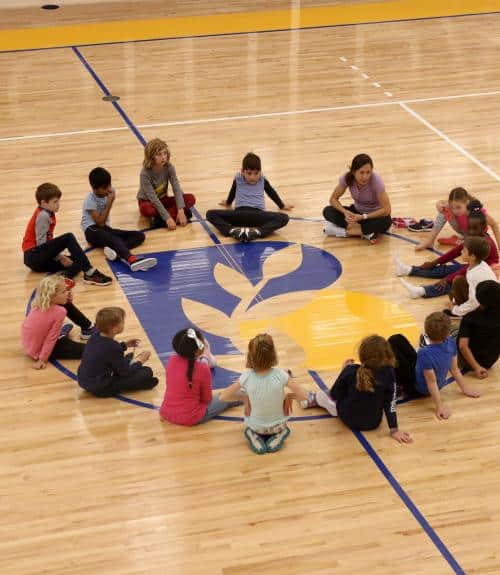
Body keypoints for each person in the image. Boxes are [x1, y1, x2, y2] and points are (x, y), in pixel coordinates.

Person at [303, 336, 412, 443]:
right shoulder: (389, 372)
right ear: (387, 355)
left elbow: (335, 394)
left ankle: (313, 399)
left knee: (326, 394)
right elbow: (390, 402)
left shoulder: (351, 370)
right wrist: (394, 430)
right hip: (373, 423)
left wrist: (343, 371)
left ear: (362, 354)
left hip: (347, 417)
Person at [220, 333, 309, 454]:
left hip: (256, 427)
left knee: (251, 420)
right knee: (283, 425)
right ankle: (279, 435)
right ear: (273, 354)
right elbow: (305, 396)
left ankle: (253, 435)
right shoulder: (281, 374)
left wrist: (245, 398)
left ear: (250, 356)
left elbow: (223, 397)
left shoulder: (246, 376)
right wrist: (290, 396)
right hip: (278, 426)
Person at [397, 202, 498, 300]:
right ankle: (409, 270)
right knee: (446, 269)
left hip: (485, 272)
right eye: (469, 227)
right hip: (473, 266)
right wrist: (434, 262)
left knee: (456, 282)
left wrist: (447, 279)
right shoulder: (473, 237)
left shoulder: (484, 244)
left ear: (484, 227)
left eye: (475, 228)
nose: (471, 231)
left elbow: (467, 269)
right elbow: (456, 251)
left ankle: (421, 291)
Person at [388, 312, 480, 419]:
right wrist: (465, 388)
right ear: (447, 333)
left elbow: (431, 382)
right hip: (427, 376)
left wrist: (439, 407)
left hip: (419, 389)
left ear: (427, 331)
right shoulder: (451, 342)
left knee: (391, 347)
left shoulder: (424, 352)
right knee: (396, 338)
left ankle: (398, 386)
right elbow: (454, 369)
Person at [23, 183, 112, 285]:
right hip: (33, 256)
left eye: (58, 201)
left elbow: (46, 244)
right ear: (43, 203)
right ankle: (89, 272)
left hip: (38, 260)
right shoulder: (43, 215)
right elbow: (41, 244)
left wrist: (60, 257)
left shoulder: (47, 212)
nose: (58, 204)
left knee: (79, 260)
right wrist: (59, 257)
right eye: (55, 202)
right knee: (68, 237)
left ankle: (63, 278)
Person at [160, 328, 241, 426]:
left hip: (166, 411)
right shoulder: (202, 369)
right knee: (227, 396)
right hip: (191, 417)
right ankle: (252, 395)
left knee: (223, 395)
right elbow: (207, 400)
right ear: (198, 351)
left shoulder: (171, 360)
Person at [82, 167, 157, 272]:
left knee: (139, 235)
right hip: (92, 231)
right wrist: (109, 202)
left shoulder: (108, 192)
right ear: (94, 189)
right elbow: (100, 223)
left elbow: (104, 226)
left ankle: (115, 253)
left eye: (109, 185)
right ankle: (131, 260)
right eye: (105, 188)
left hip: (105, 229)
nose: (109, 189)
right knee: (115, 239)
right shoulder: (89, 200)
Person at [206, 152, 292, 242]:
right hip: (239, 214)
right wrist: (228, 202)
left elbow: (271, 192)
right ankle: (232, 230)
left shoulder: (262, 180)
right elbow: (233, 191)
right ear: (242, 171)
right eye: (249, 173)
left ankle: (257, 232)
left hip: (258, 215)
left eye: (256, 173)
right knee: (210, 214)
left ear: (260, 172)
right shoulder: (238, 178)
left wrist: (281, 205)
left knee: (284, 218)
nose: (252, 177)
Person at [77, 307, 158, 397]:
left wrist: (125, 345)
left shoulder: (94, 336)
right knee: (147, 371)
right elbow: (125, 372)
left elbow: (105, 351)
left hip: (83, 380)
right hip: (101, 388)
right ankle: (143, 383)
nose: (124, 323)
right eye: (122, 322)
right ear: (114, 329)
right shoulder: (113, 347)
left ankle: (130, 367)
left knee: (126, 359)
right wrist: (140, 361)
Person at [21, 275, 95, 369]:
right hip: (41, 350)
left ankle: (63, 333)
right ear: (52, 295)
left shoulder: (39, 303)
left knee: (64, 306)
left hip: (30, 346)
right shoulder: (60, 311)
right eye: (64, 291)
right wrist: (42, 359)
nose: (68, 293)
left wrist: (67, 300)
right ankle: (115, 348)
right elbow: (51, 338)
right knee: (88, 350)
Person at [323, 153, 392, 244]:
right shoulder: (346, 178)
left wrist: (363, 217)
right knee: (328, 211)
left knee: (386, 221)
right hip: (356, 213)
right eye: (361, 172)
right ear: (353, 172)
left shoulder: (376, 181)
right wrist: (345, 211)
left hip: (372, 216)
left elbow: (387, 210)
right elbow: (333, 199)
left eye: (368, 172)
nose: (365, 177)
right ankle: (365, 232)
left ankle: (345, 232)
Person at [415, 187, 500, 251]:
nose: (455, 211)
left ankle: (459, 241)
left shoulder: (476, 212)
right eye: (453, 207)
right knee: (444, 210)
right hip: (463, 231)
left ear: (467, 202)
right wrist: (438, 204)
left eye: (458, 207)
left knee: (471, 249)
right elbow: (442, 203)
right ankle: (430, 241)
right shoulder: (455, 206)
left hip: (477, 235)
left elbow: (494, 225)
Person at [137, 138, 196, 229]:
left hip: (163, 198)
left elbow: (176, 188)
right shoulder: (144, 174)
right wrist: (167, 218)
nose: (163, 157)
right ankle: (176, 215)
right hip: (148, 201)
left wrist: (180, 210)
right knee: (146, 210)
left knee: (191, 198)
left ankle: (158, 220)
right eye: (159, 154)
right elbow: (153, 199)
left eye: (165, 153)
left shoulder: (169, 167)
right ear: (151, 156)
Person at [444, 236, 498, 318]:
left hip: (486, 307)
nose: (461, 251)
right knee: (457, 282)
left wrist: (456, 310)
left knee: (457, 282)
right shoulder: (479, 264)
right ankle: (461, 308)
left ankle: (463, 314)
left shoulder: (475, 274)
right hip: (486, 301)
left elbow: (474, 301)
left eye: (464, 251)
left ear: (473, 256)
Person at [457, 280, 500, 378]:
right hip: (490, 360)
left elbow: (463, 346)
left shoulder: (469, 317)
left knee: (448, 333)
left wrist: (477, 367)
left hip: (468, 362)